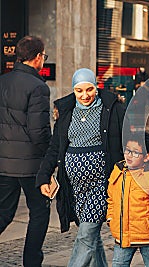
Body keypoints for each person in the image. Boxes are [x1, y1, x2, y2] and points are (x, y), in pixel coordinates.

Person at [36, 68, 125, 266]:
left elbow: (131, 137)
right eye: (79, 91)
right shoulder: (66, 111)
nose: (85, 95)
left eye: (89, 89)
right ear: (73, 90)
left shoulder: (112, 108)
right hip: (75, 187)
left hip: (103, 183)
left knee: (86, 234)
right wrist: (43, 176)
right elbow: (54, 148)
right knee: (92, 236)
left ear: (96, 87)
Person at [0, 35, 51, 267]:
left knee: (4, 212)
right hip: (31, 164)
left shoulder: (3, 81)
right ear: (38, 57)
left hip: (3, 163)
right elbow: (38, 131)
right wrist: (51, 156)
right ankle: (31, 262)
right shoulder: (38, 87)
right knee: (39, 212)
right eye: (44, 56)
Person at [107, 131, 149, 267]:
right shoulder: (118, 171)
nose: (129, 156)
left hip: (148, 236)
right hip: (123, 235)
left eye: (135, 153)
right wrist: (110, 217)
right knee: (118, 264)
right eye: (127, 151)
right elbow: (111, 197)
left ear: (146, 157)